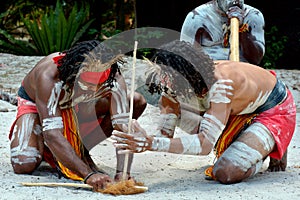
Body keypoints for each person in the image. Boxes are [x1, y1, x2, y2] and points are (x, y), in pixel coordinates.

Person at [111, 40, 296, 184]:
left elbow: (204, 145)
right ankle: (247, 141)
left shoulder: (222, 84)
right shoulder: (170, 83)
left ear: (184, 75)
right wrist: (139, 136)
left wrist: (150, 143)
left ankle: (267, 146)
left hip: (272, 109)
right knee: (183, 110)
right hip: (234, 111)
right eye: (161, 74)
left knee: (226, 172)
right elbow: (164, 135)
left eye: (167, 77)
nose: (162, 82)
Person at [8, 40, 147, 190]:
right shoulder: (50, 75)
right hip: (39, 105)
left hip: (78, 106)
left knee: (135, 101)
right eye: (88, 85)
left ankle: (80, 150)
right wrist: (88, 175)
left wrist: (123, 172)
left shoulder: (112, 75)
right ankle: (50, 148)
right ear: (76, 72)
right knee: (24, 162)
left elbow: (122, 126)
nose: (93, 90)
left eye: (98, 86)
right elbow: (52, 133)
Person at [180, 0, 265, 65]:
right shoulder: (197, 17)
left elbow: (256, 59)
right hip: (208, 74)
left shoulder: (253, 16)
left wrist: (241, 29)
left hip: (244, 74)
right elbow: (186, 58)